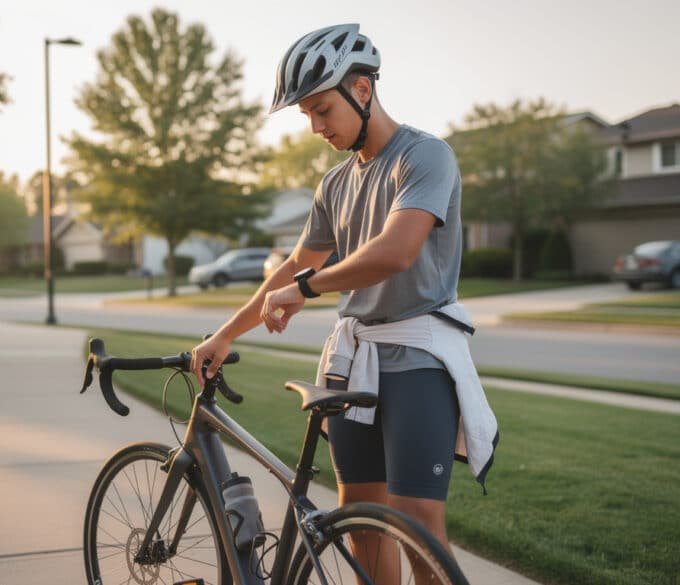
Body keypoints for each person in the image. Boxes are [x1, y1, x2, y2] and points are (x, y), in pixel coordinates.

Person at [190, 23, 498, 576]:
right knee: (360, 526)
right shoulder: (334, 184)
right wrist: (226, 332)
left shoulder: (426, 157)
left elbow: (395, 250)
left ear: (361, 90)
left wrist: (306, 287)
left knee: (418, 526)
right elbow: (293, 264)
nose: (314, 126)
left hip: (418, 358)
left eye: (320, 109)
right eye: (306, 113)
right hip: (353, 365)